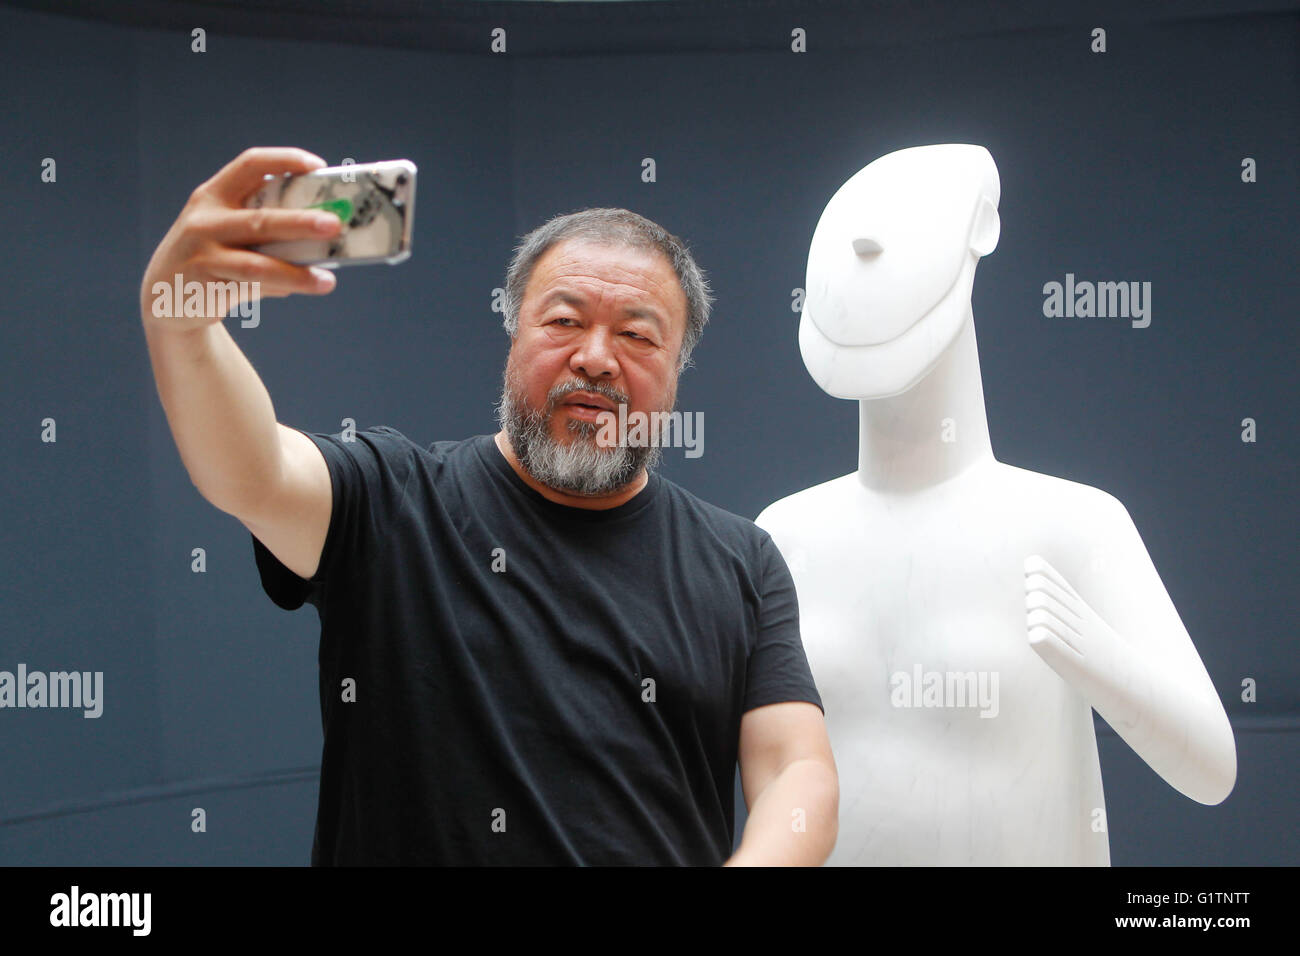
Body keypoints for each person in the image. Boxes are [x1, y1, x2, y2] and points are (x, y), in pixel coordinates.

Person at [140, 146, 837, 866]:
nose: (596, 357)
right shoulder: (390, 500)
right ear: (513, 334)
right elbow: (250, 473)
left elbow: (796, 769)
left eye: (636, 334)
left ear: (677, 368)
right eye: (563, 321)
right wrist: (181, 320)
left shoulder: (740, 560)